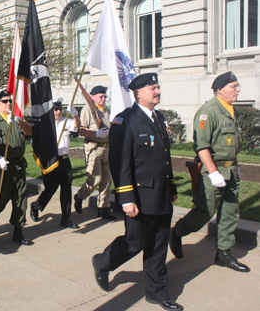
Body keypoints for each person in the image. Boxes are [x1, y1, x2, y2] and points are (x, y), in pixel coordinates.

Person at [91, 73, 183, 311]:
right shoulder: (126, 120)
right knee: (135, 243)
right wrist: (126, 198)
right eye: (153, 88)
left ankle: (157, 292)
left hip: (160, 194)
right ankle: (102, 262)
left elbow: (164, 158)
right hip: (140, 197)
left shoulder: (159, 118)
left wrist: (171, 186)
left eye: (158, 87)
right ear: (138, 92)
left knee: (158, 246)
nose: (157, 91)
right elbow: (120, 161)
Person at [170, 71, 250, 273]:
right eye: (234, 86)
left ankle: (223, 253)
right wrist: (214, 173)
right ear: (219, 90)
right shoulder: (208, 111)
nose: (238, 89)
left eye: (237, 85)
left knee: (230, 213)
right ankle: (177, 232)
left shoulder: (230, 110)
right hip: (212, 171)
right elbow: (202, 146)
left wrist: (234, 165)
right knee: (205, 212)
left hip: (231, 170)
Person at [0, 90, 34, 245]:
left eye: (10, 100)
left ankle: (18, 231)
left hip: (18, 166)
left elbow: (30, 132)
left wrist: (20, 122)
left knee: (20, 198)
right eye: (4, 101)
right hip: (0, 168)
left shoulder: (16, 119)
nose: (8, 103)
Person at [30, 97, 81, 228]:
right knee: (51, 189)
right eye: (55, 109)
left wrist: (75, 114)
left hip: (65, 161)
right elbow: (35, 144)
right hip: (52, 161)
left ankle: (66, 219)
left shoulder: (65, 122)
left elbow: (76, 126)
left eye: (60, 109)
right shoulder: (45, 125)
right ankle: (36, 206)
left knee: (66, 190)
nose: (58, 112)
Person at [74, 85, 115, 220]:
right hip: (93, 148)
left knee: (107, 181)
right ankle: (80, 196)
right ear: (93, 97)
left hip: (106, 148)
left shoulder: (106, 110)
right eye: (100, 97)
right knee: (95, 180)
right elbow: (81, 130)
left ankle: (104, 208)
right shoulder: (87, 109)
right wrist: (96, 133)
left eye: (105, 97)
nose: (103, 99)